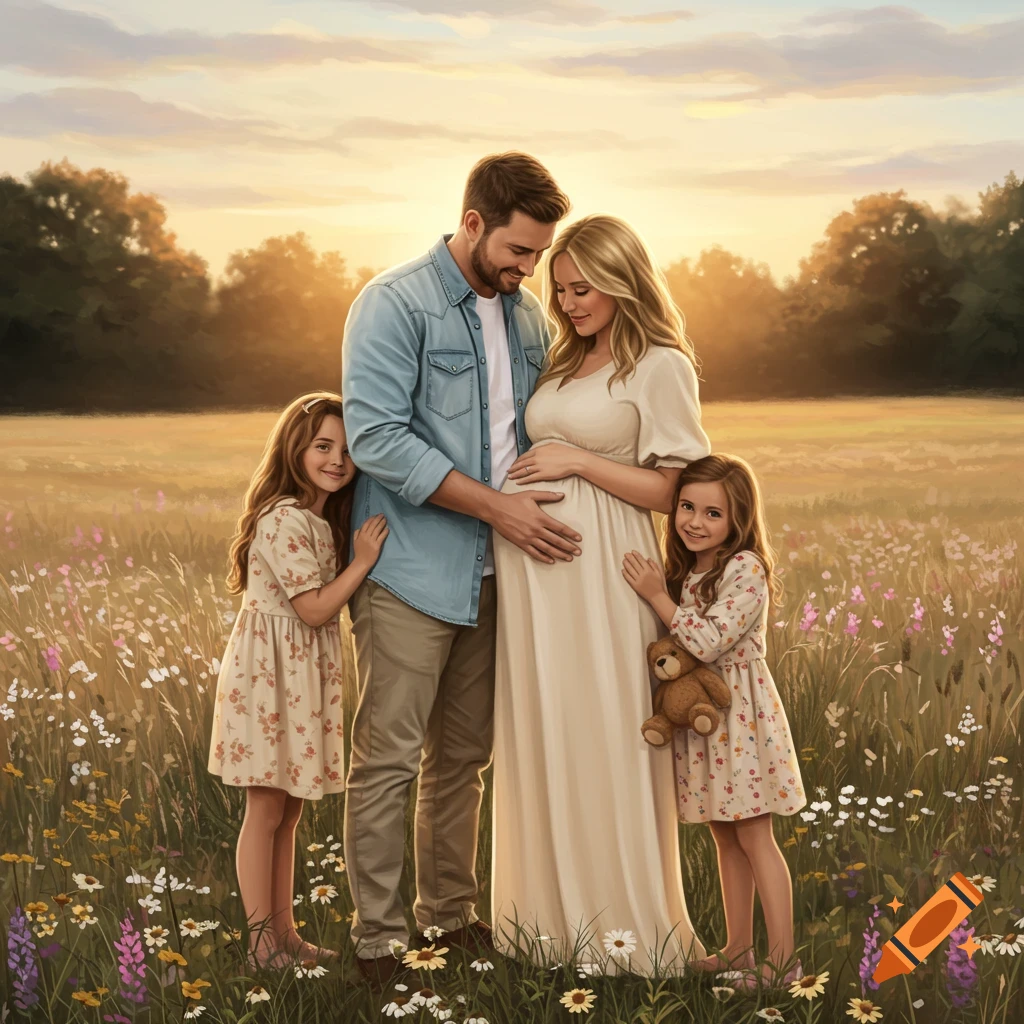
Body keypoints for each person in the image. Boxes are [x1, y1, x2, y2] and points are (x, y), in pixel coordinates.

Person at [340, 152, 575, 987]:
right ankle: (377, 943)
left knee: (464, 758)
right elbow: (375, 437)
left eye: (538, 255)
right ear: (472, 223)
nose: (527, 269)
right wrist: (496, 508)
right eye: (517, 251)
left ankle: (448, 918)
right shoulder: (392, 303)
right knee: (390, 760)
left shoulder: (527, 317)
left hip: (498, 575)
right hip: (412, 567)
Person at [491, 214, 711, 974]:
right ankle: (547, 929)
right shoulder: (564, 359)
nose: (571, 302)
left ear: (624, 281)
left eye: (585, 289)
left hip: (606, 572)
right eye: (561, 289)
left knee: (608, 729)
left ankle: (630, 932)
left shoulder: (660, 365)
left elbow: (672, 488)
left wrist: (578, 462)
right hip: (533, 576)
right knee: (546, 728)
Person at [207, 392, 388, 968]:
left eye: (347, 449)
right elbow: (312, 610)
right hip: (269, 677)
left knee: (289, 811)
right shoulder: (283, 516)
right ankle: (262, 944)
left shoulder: (314, 518)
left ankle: (284, 934)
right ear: (295, 448)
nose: (337, 459)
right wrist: (361, 561)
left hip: (298, 674)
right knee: (265, 807)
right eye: (322, 446)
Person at [622, 452, 807, 988]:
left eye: (712, 514)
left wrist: (656, 594)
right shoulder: (692, 570)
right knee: (724, 837)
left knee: (754, 836)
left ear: (738, 521)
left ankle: (782, 962)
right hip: (708, 727)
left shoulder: (744, 569)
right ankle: (738, 949)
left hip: (741, 719)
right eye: (686, 507)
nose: (693, 522)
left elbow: (705, 641)